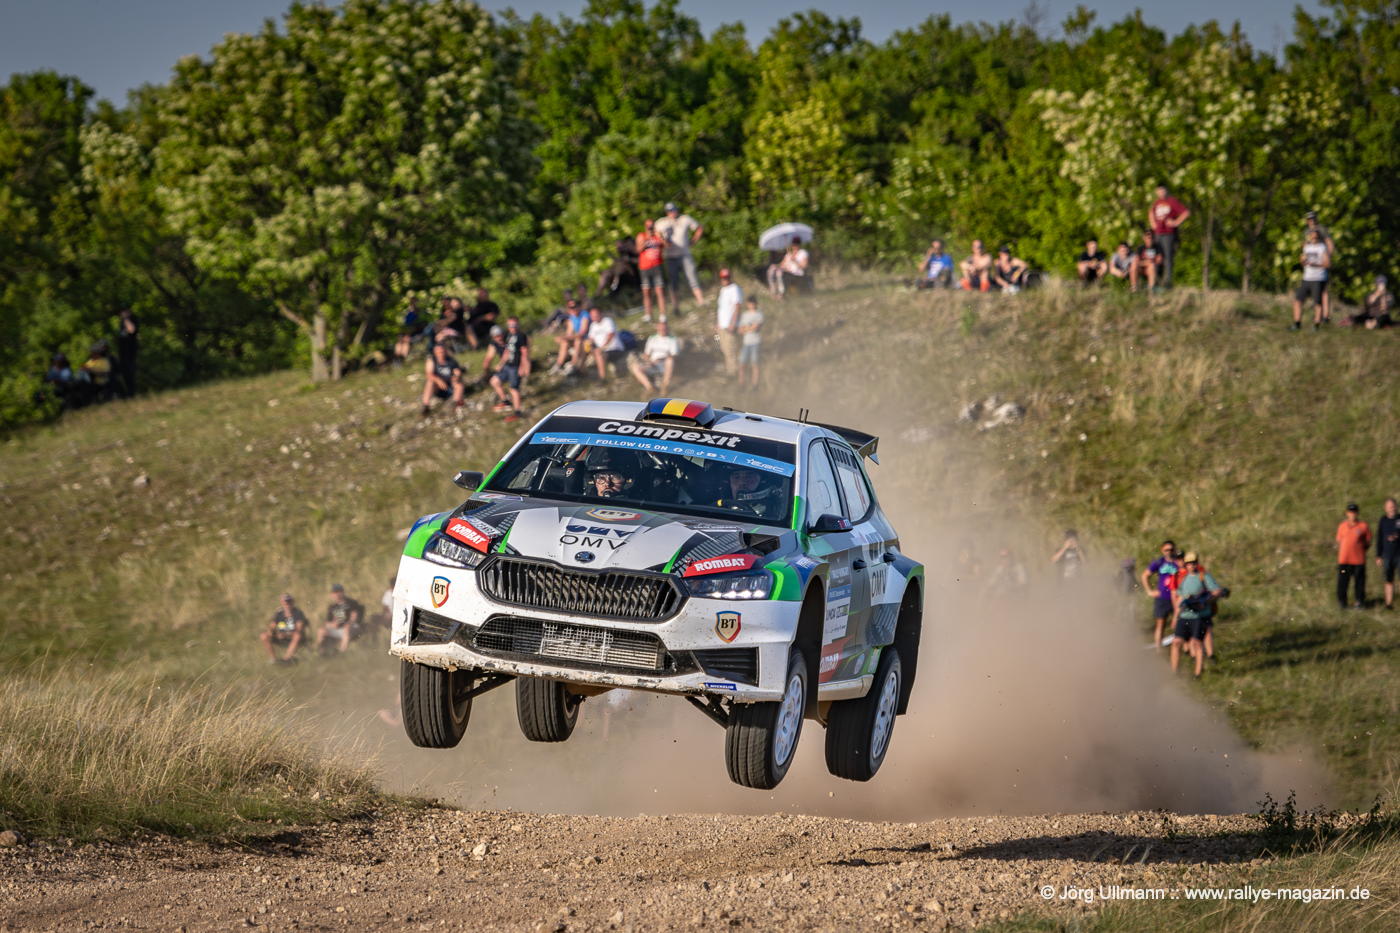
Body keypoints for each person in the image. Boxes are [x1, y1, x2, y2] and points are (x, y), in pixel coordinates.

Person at [1171, 553, 1224, 678]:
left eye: (1194, 563)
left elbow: (1217, 591)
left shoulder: (1203, 576)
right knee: (1176, 642)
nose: (1191, 565)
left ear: (1197, 563)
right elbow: (1180, 598)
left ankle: (1198, 673)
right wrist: (1175, 617)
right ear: (1186, 565)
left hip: (1199, 617)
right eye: (1189, 563)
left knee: (1197, 643)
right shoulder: (1183, 578)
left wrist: (1204, 600)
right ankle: (1173, 672)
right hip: (1184, 616)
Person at [656, 202, 704, 306]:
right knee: (673, 282)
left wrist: (693, 241)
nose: (671, 213)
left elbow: (699, 228)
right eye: (669, 211)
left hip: (684, 254)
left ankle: (701, 301)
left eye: (673, 210)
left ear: (677, 210)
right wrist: (664, 242)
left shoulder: (684, 219)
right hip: (670, 256)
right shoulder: (662, 222)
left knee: (692, 277)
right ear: (666, 212)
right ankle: (676, 306)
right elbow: (656, 234)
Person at [483, 318, 531, 421]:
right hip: (507, 366)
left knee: (514, 389)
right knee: (494, 381)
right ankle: (506, 401)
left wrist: (523, 366)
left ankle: (518, 412)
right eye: (510, 325)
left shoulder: (521, 336)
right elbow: (507, 351)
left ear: (517, 325)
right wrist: (501, 364)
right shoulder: (509, 336)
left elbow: (524, 352)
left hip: (515, 366)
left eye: (514, 325)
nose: (512, 327)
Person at [1141, 539, 1181, 651]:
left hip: (1177, 597)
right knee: (1160, 624)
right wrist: (1149, 591)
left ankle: (1181, 647)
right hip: (1162, 598)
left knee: (1180, 623)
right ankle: (1158, 649)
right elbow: (1145, 575)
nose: (1169, 552)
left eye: (1171, 549)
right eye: (1166, 550)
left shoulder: (1178, 562)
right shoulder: (1159, 563)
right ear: (1162, 550)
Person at [1148, 184, 1189, 288]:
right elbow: (1151, 212)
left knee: (1168, 257)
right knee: (1157, 257)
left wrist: (1176, 222)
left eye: (1163, 190)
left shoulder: (1172, 201)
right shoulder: (1157, 202)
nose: (1161, 192)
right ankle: (1155, 282)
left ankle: (1167, 282)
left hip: (1168, 234)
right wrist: (1153, 224)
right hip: (1158, 233)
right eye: (1159, 191)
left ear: (1166, 190)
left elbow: (1186, 212)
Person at [1291, 229, 1331, 331]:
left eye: (1315, 237)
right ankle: (1297, 324)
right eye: (1311, 236)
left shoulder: (1322, 247)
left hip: (1318, 278)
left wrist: (1315, 264)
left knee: (1317, 302)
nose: (1313, 238)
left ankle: (1316, 325)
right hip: (1307, 278)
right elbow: (1302, 262)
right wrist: (1302, 261)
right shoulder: (1306, 247)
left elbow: (1327, 264)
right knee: (1298, 301)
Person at [628, 320, 680, 395]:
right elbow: (646, 354)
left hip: (664, 363)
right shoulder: (652, 338)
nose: (662, 330)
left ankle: (665, 386)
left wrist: (660, 360)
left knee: (670, 360)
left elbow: (674, 355)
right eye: (660, 328)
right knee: (635, 366)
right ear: (657, 328)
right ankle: (649, 387)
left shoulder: (672, 339)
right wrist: (648, 360)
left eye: (664, 329)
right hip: (652, 362)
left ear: (667, 329)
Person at [1336, 502, 1372, 609]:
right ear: (1347, 513)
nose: (1352, 514)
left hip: (1358, 561)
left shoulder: (1363, 526)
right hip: (1344, 561)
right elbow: (1339, 540)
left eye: (1354, 512)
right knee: (1343, 582)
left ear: (1357, 513)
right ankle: (1342, 602)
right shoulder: (1342, 526)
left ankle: (1359, 602)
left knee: (1359, 582)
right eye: (1350, 512)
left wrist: (1360, 550)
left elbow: (1368, 542)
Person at [1304, 211, 1337, 323]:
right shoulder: (1307, 231)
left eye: (1313, 219)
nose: (1312, 221)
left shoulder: (1322, 229)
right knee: (1316, 291)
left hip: (1322, 263)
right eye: (1310, 219)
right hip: (1311, 266)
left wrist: (1327, 258)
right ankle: (1319, 314)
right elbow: (1306, 245)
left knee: (1324, 290)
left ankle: (1326, 316)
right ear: (1307, 221)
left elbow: (1330, 244)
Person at [315, 583, 364, 656]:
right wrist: (332, 625)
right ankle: (320, 652)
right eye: (335, 592)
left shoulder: (351, 603)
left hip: (351, 628)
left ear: (343, 592)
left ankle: (341, 653)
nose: (337, 594)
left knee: (346, 628)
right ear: (331, 595)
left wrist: (347, 624)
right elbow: (328, 622)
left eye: (339, 592)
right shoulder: (333, 607)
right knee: (321, 631)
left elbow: (354, 617)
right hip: (338, 628)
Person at [420, 339, 465, 416]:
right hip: (438, 387)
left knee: (459, 385)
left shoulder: (451, 361)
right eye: (438, 352)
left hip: (450, 386)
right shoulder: (432, 360)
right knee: (430, 382)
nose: (440, 353)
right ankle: (426, 405)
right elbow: (429, 374)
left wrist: (456, 377)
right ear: (435, 352)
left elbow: (457, 372)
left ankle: (455, 404)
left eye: (442, 351)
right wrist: (438, 380)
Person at [636, 218, 668, 323]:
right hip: (645, 268)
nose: (650, 228)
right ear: (645, 227)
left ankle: (662, 315)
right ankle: (648, 315)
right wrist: (646, 240)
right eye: (648, 226)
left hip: (657, 266)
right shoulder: (641, 236)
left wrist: (660, 237)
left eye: (651, 226)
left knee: (660, 291)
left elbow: (667, 246)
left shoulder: (658, 236)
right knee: (646, 292)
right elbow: (638, 250)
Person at [261, 593, 308, 664]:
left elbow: (299, 629)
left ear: (292, 602)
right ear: (281, 603)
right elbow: (271, 627)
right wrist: (273, 633)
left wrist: (285, 634)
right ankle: (273, 659)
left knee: (297, 635)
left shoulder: (298, 613)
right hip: (280, 637)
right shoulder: (279, 614)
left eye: (289, 602)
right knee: (264, 636)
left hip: (293, 638)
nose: (287, 604)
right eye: (285, 602)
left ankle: (286, 659)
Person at [715, 267, 743, 375]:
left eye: (726, 277)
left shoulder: (734, 288)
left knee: (731, 350)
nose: (725, 279)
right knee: (724, 349)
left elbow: (737, 307)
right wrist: (718, 323)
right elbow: (721, 308)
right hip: (722, 326)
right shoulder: (722, 290)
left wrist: (733, 324)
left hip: (730, 326)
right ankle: (729, 370)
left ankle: (734, 373)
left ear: (730, 277)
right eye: (723, 278)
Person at [585, 305, 625, 381]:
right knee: (589, 350)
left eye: (596, 314)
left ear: (600, 313)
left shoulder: (607, 321)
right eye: (592, 315)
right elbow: (591, 338)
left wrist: (602, 348)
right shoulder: (593, 325)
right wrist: (589, 345)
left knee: (599, 353)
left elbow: (610, 335)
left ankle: (602, 378)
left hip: (614, 349)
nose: (594, 317)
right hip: (602, 350)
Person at [1376, 498, 1400, 611]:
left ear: (1396, 507)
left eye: (1393, 506)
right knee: (1388, 580)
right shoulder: (1383, 520)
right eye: (1389, 506)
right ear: (1385, 508)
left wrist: (1397, 536)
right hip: (1387, 555)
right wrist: (1378, 555)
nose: (1391, 508)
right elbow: (1379, 538)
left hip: (1399, 554)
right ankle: (1388, 603)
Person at [737, 296, 764, 389]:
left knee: (755, 364)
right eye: (750, 303)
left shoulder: (759, 314)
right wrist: (749, 327)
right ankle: (741, 384)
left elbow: (756, 328)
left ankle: (755, 385)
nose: (751, 305)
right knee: (742, 364)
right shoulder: (744, 315)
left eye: (753, 303)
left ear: (756, 304)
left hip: (756, 342)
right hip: (746, 343)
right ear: (747, 304)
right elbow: (740, 330)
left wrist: (746, 328)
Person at [394, 298, 426, 363]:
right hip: (407, 333)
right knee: (399, 342)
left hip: (416, 333)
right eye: (412, 303)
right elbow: (405, 325)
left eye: (415, 303)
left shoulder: (421, 313)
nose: (413, 304)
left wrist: (408, 334)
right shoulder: (408, 313)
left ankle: (402, 359)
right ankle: (397, 359)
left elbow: (420, 326)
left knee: (406, 342)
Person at [116, 308, 139, 397]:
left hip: (130, 353)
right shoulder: (122, 323)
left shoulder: (132, 320)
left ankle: (132, 392)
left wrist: (126, 319)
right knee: (124, 373)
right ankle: (128, 393)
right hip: (123, 354)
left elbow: (132, 330)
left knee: (130, 373)